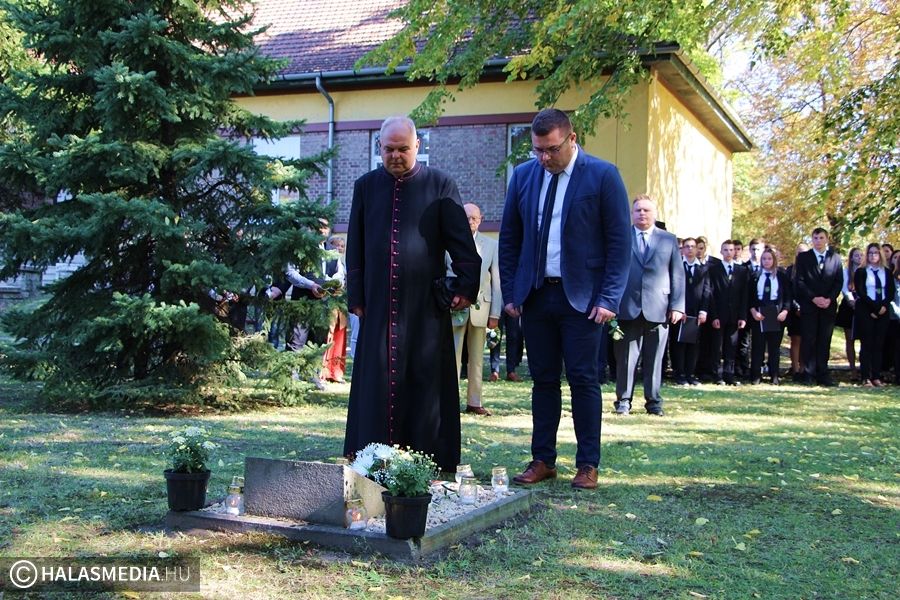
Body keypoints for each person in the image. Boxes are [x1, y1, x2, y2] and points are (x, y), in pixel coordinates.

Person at [498, 108, 630, 490]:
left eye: (552, 149)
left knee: (584, 380)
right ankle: (543, 459)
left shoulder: (602, 175)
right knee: (542, 380)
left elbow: (619, 243)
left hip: (584, 300)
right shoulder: (524, 176)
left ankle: (587, 464)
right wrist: (512, 291)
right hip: (536, 295)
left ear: (572, 139)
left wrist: (609, 297)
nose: (544, 157)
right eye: (538, 150)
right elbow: (510, 238)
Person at [342, 116, 480, 472]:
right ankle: (371, 453)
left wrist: (465, 286)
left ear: (417, 146)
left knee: (425, 379)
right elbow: (355, 245)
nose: (396, 156)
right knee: (376, 379)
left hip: (424, 306)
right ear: (379, 148)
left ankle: (429, 454)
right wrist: (356, 296)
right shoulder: (365, 186)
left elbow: (462, 244)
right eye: (389, 149)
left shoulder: (440, 184)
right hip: (377, 303)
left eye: (403, 149)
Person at [613, 195, 685, 416]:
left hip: (659, 307)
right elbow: (612, 270)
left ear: (654, 213)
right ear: (631, 214)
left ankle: (653, 402)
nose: (642, 214)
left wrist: (677, 306)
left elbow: (677, 274)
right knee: (626, 359)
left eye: (646, 210)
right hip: (627, 306)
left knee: (655, 360)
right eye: (638, 210)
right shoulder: (621, 237)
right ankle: (623, 401)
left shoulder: (668, 239)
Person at [449, 203, 502, 416]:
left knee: (477, 359)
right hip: (454, 308)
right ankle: (450, 401)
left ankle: (474, 401)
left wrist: (495, 313)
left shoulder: (491, 245)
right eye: (466, 217)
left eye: (474, 218)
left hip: (481, 308)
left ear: (480, 220)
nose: (470, 221)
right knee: (452, 358)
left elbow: (497, 281)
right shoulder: (448, 242)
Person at [794, 227, 843, 386]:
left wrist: (829, 298)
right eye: (815, 238)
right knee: (809, 339)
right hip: (810, 305)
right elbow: (800, 281)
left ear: (827, 239)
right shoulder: (804, 257)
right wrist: (814, 298)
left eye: (821, 238)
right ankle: (808, 373)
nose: (818, 241)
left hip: (828, 306)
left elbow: (838, 282)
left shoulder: (835, 258)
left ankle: (823, 373)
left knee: (824, 340)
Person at [854, 243, 896, 387]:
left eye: (876, 253)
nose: (873, 256)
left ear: (880, 255)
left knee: (878, 344)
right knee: (867, 344)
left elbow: (890, 292)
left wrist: (883, 306)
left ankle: (876, 376)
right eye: (870, 253)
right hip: (866, 310)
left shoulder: (887, 272)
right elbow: (861, 292)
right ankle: (865, 377)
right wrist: (874, 308)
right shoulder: (861, 271)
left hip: (883, 311)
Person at [748, 248, 791, 385]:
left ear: (774, 260)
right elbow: (749, 297)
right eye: (764, 259)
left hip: (776, 312)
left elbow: (788, 296)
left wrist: (785, 311)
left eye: (769, 259)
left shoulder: (782, 276)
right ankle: (756, 375)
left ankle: (774, 375)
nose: (767, 261)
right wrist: (753, 311)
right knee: (758, 346)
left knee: (774, 347)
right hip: (759, 312)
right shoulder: (755, 276)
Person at [670, 237, 710, 385]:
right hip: (680, 312)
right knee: (679, 344)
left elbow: (707, 291)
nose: (690, 249)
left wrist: (703, 311)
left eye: (693, 246)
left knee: (693, 345)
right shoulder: (677, 266)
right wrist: (678, 308)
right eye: (687, 246)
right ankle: (679, 373)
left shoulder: (703, 268)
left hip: (696, 313)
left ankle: (689, 373)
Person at [708, 240, 748, 385]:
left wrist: (742, 316)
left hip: (734, 315)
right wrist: (714, 316)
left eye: (731, 250)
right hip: (719, 315)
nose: (729, 252)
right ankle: (717, 375)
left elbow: (744, 296)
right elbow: (710, 294)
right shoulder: (713, 270)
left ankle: (729, 374)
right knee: (717, 347)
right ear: (721, 252)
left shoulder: (742, 271)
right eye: (725, 250)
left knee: (731, 346)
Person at [321, 235, 349, 383]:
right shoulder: (325, 260)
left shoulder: (343, 263)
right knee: (328, 335)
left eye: (342, 246)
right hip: (328, 300)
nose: (339, 248)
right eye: (336, 245)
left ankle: (336, 371)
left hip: (340, 303)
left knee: (340, 335)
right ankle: (323, 370)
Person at [835, 247, 863, 380]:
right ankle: (853, 370)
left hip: (864, 306)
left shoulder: (866, 271)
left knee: (865, 339)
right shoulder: (846, 272)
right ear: (851, 258)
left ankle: (864, 367)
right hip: (848, 307)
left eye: (861, 255)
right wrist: (852, 302)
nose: (859, 258)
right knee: (850, 339)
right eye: (856, 255)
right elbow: (845, 289)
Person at [785, 243, 809, 379]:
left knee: (807, 340)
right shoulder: (790, 270)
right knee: (796, 339)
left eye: (804, 252)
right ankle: (795, 369)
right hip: (794, 310)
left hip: (809, 309)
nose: (801, 255)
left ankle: (805, 368)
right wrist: (796, 307)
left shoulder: (812, 269)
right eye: (799, 252)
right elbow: (788, 291)